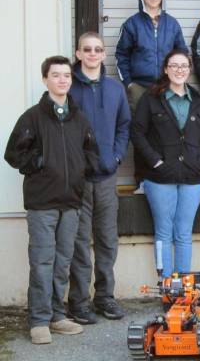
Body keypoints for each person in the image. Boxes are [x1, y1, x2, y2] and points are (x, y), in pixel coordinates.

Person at [4, 56, 99, 344]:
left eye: (67, 75)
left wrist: (83, 171)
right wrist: (41, 162)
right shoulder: (32, 117)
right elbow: (13, 153)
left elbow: (91, 151)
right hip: (42, 204)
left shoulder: (79, 118)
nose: (62, 80)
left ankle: (58, 316)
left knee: (62, 263)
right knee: (43, 261)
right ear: (45, 79)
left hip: (71, 202)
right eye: (56, 75)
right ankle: (39, 321)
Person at [131, 49, 200, 277]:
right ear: (166, 69)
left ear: (189, 70)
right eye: (174, 66)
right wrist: (155, 162)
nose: (179, 70)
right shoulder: (150, 98)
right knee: (164, 233)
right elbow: (137, 133)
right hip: (160, 177)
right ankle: (166, 287)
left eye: (184, 66)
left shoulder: (198, 100)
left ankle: (184, 289)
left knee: (184, 233)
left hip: (192, 177)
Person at [68, 32, 131, 324]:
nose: (93, 54)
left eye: (97, 49)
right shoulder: (68, 87)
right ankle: (78, 302)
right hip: (77, 180)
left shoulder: (115, 89)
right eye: (87, 50)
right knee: (79, 242)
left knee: (107, 240)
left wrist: (116, 157)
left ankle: (105, 297)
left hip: (106, 177)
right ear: (78, 54)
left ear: (103, 54)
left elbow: (123, 126)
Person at [116, 0, 188, 193]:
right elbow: (121, 55)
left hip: (167, 86)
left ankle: (168, 174)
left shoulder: (172, 23)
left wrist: (176, 78)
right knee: (141, 133)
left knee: (169, 131)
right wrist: (129, 83)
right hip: (140, 87)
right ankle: (142, 181)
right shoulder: (132, 24)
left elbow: (182, 51)